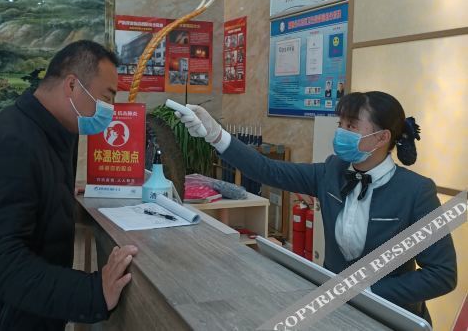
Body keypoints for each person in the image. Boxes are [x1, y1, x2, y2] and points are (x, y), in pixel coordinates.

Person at [176, 91, 457, 324]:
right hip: (336, 312)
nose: (341, 132)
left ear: (382, 137)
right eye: (340, 124)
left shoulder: (416, 191)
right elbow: (268, 170)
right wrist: (216, 135)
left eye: (351, 126)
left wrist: (366, 292)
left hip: (391, 317)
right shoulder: (332, 172)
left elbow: (442, 274)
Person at [0, 40, 138, 330]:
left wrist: (59, 194)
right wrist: (93, 292)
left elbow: (26, 199)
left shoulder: (52, 132)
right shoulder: (9, 144)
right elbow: (1, 264)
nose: (110, 109)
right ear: (72, 86)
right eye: (106, 97)